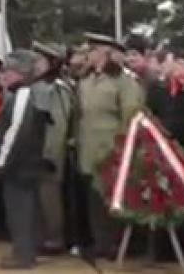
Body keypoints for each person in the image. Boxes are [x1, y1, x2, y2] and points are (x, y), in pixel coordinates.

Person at [75, 33, 142, 260]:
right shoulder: (86, 80)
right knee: (94, 198)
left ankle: (115, 243)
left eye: (93, 51)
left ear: (106, 53)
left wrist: (123, 147)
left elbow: (131, 115)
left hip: (111, 148)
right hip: (88, 147)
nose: (89, 55)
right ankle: (100, 242)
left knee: (112, 198)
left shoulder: (124, 82)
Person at [0, 50, 51, 270]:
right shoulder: (24, 92)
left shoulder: (24, 94)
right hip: (26, 162)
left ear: (21, 73)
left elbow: (16, 131)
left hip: (19, 164)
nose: (3, 75)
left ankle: (23, 255)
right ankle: (26, 251)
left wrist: (1, 161)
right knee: (27, 208)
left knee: (20, 210)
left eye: (9, 71)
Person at [30, 42, 74, 255]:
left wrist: (50, 154)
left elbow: (59, 125)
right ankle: (42, 236)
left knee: (50, 196)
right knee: (39, 196)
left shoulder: (57, 88)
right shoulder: (36, 86)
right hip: (34, 148)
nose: (35, 64)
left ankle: (55, 238)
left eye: (40, 60)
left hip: (49, 151)